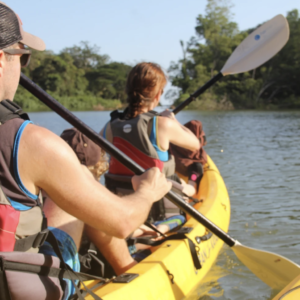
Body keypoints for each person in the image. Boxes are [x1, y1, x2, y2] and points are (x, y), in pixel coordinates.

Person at [0, 3, 171, 299]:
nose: (22, 66)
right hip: (16, 290)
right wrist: (147, 192)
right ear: (1, 58)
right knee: (76, 183)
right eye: (23, 56)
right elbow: (123, 222)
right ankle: (128, 266)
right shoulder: (32, 143)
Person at [101, 62, 200, 220]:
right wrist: (174, 122)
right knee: (188, 185)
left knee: (177, 179)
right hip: (157, 209)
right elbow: (196, 144)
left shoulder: (110, 126)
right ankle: (193, 182)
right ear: (158, 95)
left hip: (121, 207)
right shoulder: (163, 124)